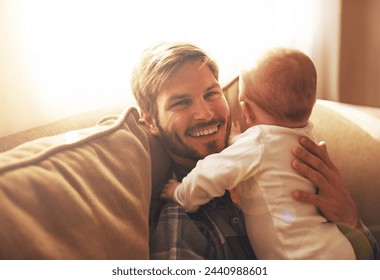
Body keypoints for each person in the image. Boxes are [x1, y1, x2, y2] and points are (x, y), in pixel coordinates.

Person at [130, 41, 379, 260]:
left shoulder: (296, 159)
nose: (206, 113)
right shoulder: (182, 221)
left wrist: (349, 219)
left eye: (211, 93)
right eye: (181, 102)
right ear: (151, 121)